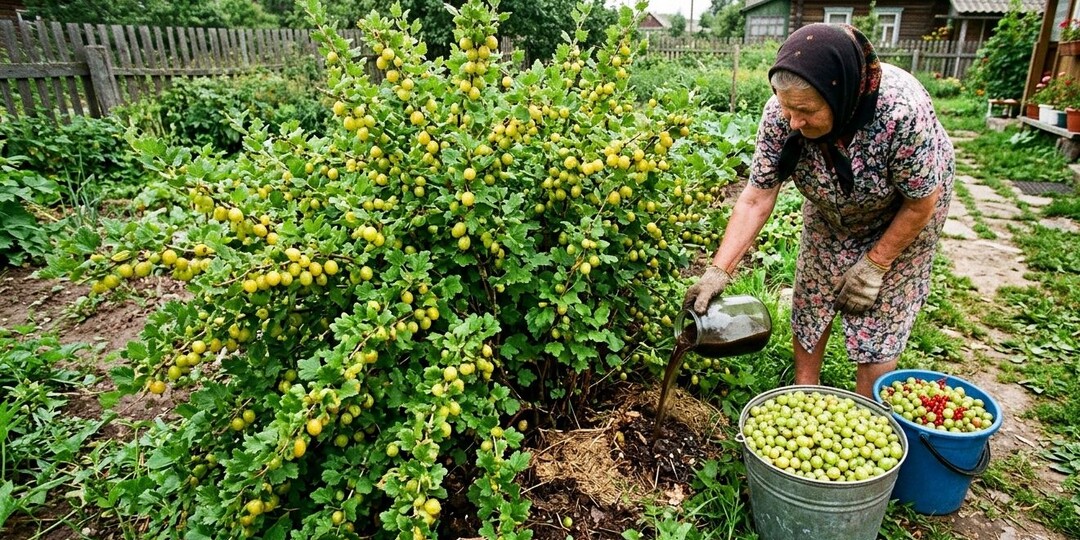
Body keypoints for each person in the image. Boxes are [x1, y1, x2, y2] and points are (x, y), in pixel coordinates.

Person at [682, 23, 954, 399]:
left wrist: (876, 263)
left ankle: (866, 413)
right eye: (786, 106)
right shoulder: (782, 113)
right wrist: (718, 270)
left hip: (904, 211)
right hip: (830, 211)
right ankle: (804, 391)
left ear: (837, 94)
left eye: (806, 110)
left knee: (880, 306)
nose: (793, 121)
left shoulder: (900, 112)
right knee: (813, 289)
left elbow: (922, 200)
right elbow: (756, 197)